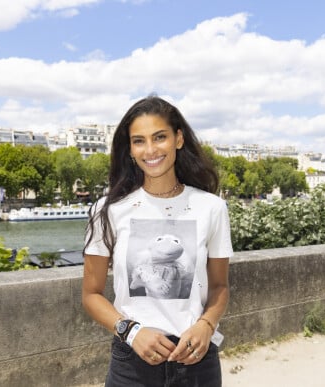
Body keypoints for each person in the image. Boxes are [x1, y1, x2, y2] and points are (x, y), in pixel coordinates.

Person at [82, 95, 233, 387]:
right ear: (130, 150)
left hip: (197, 359)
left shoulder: (212, 208)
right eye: (139, 141)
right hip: (131, 363)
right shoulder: (108, 209)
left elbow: (219, 287)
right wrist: (132, 332)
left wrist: (206, 325)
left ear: (178, 139)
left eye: (159, 137)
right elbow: (91, 294)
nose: (150, 150)